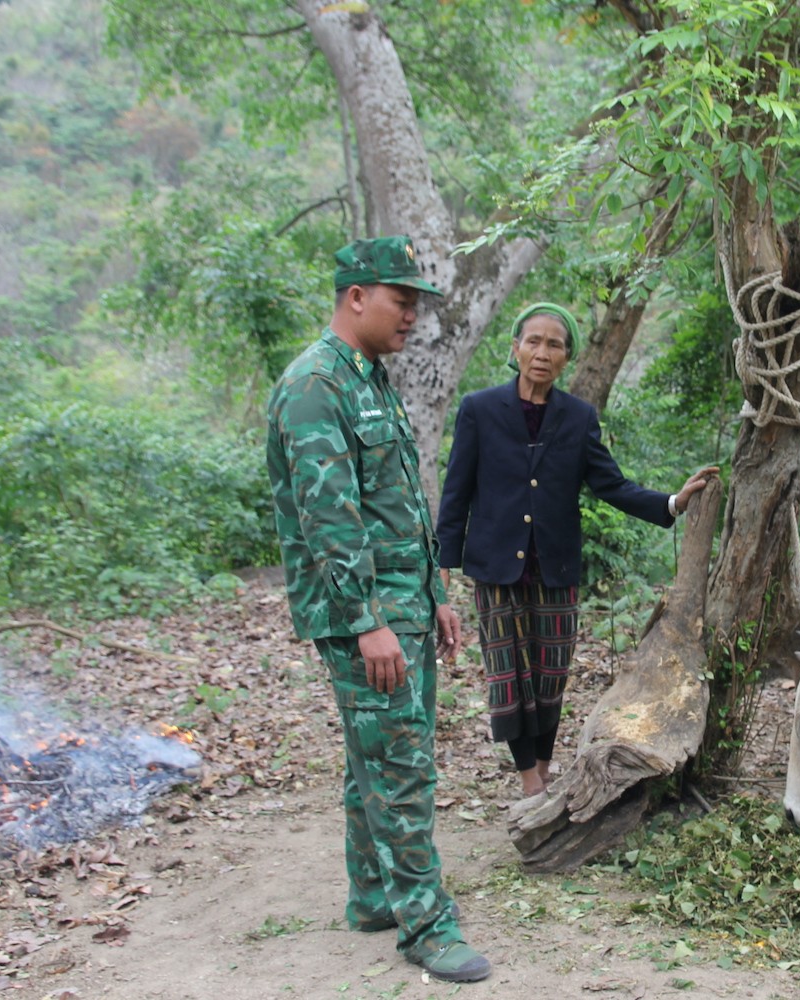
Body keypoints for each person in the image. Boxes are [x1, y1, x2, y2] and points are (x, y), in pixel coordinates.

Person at [266, 235, 490, 983]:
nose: (413, 315)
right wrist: (366, 621)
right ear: (354, 296)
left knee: (377, 761)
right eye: (402, 300)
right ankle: (426, 925)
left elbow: (397, 506)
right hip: (367, 617)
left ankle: (372, 896)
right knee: (401, 769)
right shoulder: (314, 385)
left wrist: (434, 595)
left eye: (417, 301)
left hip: (403, 606)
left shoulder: (370, 378)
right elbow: (329, 518)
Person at [436, 302, 717, 799]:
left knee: (549, 677)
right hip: (495, 567)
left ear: (567, 357)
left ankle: (544, 769)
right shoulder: (479, 410)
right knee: (509, 678)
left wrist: (673, 502)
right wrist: (443, 563)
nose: (542, 353)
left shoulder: (578, 417)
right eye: (533, 342)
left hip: (556, 568)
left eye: (555, 345)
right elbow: (456, 491)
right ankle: (530, 785)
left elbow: (611, 485)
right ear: (515, 349)